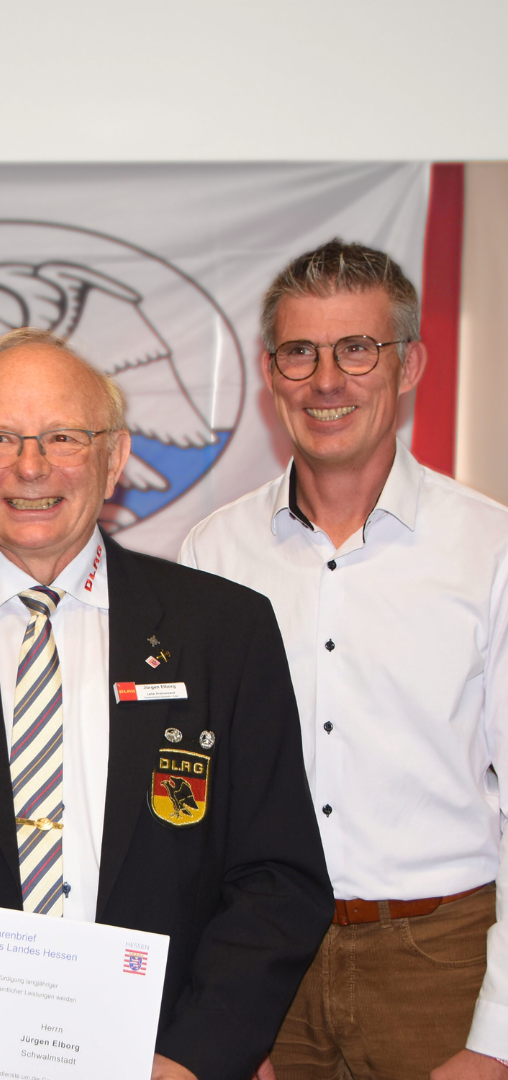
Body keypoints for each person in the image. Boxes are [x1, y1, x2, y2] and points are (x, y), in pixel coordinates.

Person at [0, 328, 333, 1080]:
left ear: (115, 457)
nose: (31, 466)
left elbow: (279, 881)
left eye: (64, 437)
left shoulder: (222, 631)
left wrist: (196, 1058)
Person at [180, 239, 508, 1078]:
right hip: (263, 964)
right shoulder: (212, 553)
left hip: (440, 962)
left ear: (409, 365)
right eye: (301, 352)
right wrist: (213, 1021)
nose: (327, 380)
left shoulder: (489, 548)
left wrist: (497, 1037)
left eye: (357, 349)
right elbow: (190, 805)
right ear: (271, 374)